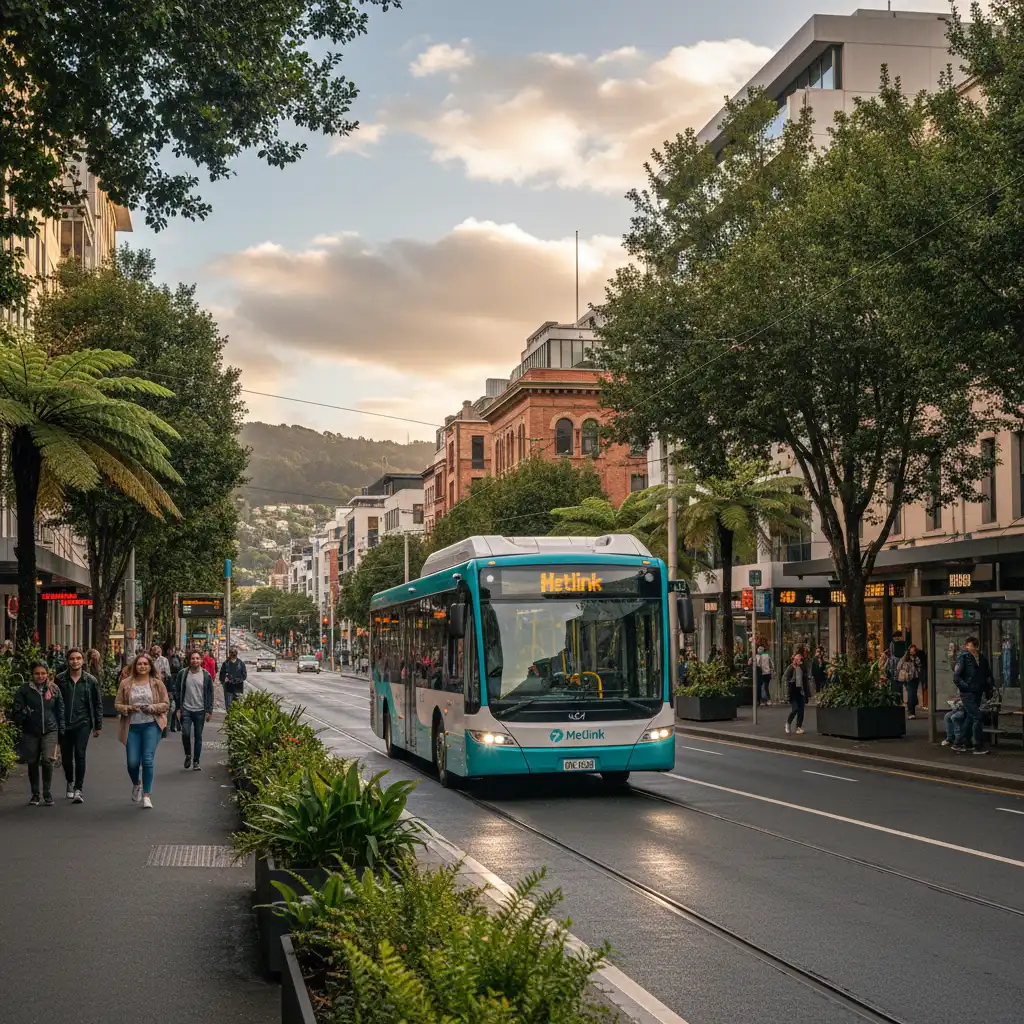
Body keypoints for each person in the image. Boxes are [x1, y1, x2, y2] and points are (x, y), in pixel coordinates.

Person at [115, 651, 169, 808]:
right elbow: (117, 704)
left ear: (150, 666)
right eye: (139, 664)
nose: (142, 666)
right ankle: (136, 784)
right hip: (132, 727)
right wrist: (128, 708)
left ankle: (146, 795)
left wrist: (151, 708)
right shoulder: (125, 683)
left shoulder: (157, 683)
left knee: (147, 759)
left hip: (152, 725)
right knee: (132, 762)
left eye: (145, 664)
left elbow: (166, 704)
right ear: (135, 666)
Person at [13, 662, 65, 805]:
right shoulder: (24, 690)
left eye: (43, 673)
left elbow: (60, 710)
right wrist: (25, 712)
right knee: (32, 761)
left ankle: (47, 792)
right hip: (31, 731)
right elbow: (16, 712)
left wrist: (61, 729)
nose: (40, 676)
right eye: (37, 673)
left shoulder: (54, 689)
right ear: (32, 674)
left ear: (47, 674)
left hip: (50, 729)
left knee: (48, 760)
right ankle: (35, 794)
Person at [55, 647, 102, 803]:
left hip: (83, 723)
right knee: (67, 758)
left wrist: (97, 725)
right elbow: (54, 701)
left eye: (78, 658)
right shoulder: (60, 679)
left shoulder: (91, 681)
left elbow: (97, 703)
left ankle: (78, 789)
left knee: (80, 754)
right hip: (64, 724)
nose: (75, 661)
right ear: (68, 661)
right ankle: (70, 781)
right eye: (72, 659)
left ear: (83, 661)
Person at [952, 636, 994, 755]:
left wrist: (989, 688)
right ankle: (978, 746)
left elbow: (987, 674)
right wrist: (966, 687)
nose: (974, 647)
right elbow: (956, 677)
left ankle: (960, 743)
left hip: (978, 691)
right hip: (968, 693)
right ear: (967, 646)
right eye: (971, 645)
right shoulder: (963, 658)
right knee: (977, 716)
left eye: (975, 645)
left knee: (970, 717)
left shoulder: (982, 658)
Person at [175, 649, 214, 771]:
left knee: (198, 736)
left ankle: (196, 761)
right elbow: (177, 691)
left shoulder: (206, 675)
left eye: (197, 658)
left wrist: (209, 710)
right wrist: (178, 708)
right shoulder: (183, 674)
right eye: (193, 658)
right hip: (186, 709)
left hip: (200, 710)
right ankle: (188, 754)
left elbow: (210, 693)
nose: (195, 660)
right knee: (185, 733)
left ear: (201, 660)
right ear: (189, 660)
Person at [783, 652, 810, 735]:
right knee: (795, 709)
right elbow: (784, 678)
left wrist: (807, 693)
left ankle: (799, 727)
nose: (799, 661)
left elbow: (805, 681)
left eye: (800, 660)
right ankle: (788, 723)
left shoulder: (802, 668)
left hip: (800, 691)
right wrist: (789, 686)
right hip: (793, 691)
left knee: (801, 710)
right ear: (794, 660)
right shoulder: (790, 668)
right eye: (798, 660)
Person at [897, 644, 923, 719]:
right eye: (912, 650)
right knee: (911, 694)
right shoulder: (905, 658)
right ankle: (911, 712)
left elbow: (920, 665)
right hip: (908, 678)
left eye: (915, 650)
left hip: (915, 678)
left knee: (913, 694)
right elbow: (899, 666)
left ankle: (912, 708)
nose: (913, 651)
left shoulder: (916, 658)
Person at [219, 647, 247, 712]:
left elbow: (244, 675)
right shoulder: (226, 663)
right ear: (230, 654)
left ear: (236, 654)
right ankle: (230, 716)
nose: (233, 654)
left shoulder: (241, 663)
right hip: (228, 686)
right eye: (232, 653)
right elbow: (221, 675)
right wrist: (224, 680)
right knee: (229, 704)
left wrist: (237, 680)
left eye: (234, 653)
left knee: (238, 704)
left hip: (238, 687)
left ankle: (235, 718)